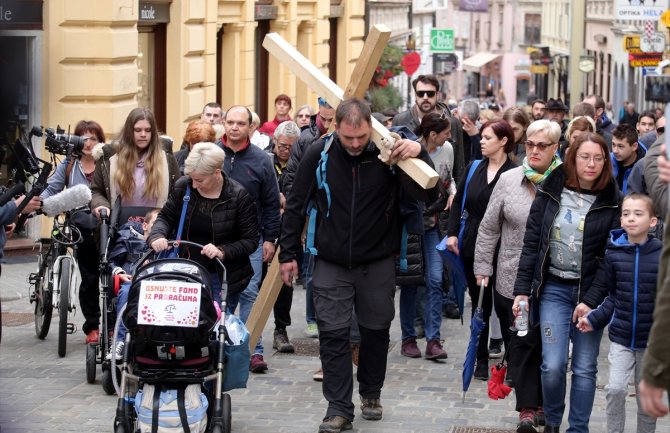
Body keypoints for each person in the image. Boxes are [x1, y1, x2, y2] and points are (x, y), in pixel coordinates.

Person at [279, 98, 438, 433]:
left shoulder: (389, 154)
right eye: (348, 137)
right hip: (331, 261)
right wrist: (287, 254)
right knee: (333, 335)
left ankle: (371, 391)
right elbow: (295, 205)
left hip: (377, 261)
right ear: (336, 127)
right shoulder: (318, 153)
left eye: (361, 137)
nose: (354, 144)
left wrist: (418, 155)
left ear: (371, 129)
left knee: (376, 332)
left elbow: (429, 196)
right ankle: (338, 408)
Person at [513, 132, 622, 433]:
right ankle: (552, 425)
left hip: (591, 295)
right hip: (554, 290)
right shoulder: (551, 190)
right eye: (585, 156)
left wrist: (590, 300)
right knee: (553, 365)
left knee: (585, 368)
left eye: (598, 158)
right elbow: (532, 243)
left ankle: (578, 429)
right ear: (572, 157)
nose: (591, 164)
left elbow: (612, 257)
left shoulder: (614, 201)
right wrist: (522, 290)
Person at [474, 119, 562, 432]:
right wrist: (483, 268)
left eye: (543, 146)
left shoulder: (565, 181)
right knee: (521, 339)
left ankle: (541, 401)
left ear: (555, 148)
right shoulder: (510, 180)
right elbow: (488, 227)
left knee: (547, 343)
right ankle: (527, 408)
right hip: (512, 280)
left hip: (553, 280)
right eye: (531, 145)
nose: (535, 151)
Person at [577, 193, 661, 433]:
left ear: (653, 221)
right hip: (621, 338)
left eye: (638, 214)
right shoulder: (614, 254)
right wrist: (594, 319)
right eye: (626, 214)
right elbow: (612, 297)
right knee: (615, 389)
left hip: (651, 343)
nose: (630, 219)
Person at [446, 119, 517, 380]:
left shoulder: (516, 172)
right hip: (472, 245)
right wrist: (452, 233)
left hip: (504, 246)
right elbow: (457, 202)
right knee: (480, 304)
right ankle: (481, 360)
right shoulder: (475, 167)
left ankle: (511, 361)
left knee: (504, 306)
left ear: (504, 141)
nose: (482, 141)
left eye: (488, 137)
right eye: (483, 137)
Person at [148, 142, 259, 306]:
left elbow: (250, 241)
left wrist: (222, 251)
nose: (194, 184)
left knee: (215, 323)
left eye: (199, 180)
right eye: (192, 178)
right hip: (185, 269)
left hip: (221, 274)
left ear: (216, 173)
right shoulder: (184, 186)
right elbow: (166, 217)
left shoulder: (238, 196)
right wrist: (157, 235)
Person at [221, 105, 281, 373]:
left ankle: (250, 348)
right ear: (224, 123)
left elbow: (270, 202)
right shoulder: (212, 154)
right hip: (217, 238)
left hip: (251, 238)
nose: (234, 127)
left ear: (250, 127)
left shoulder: (261, 160)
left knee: (249, 292)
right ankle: (220, 345)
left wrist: (270, 238)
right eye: (230, 122)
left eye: (240, 123)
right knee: (221, 294)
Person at [41, 120, 106, 343]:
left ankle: (115, 323)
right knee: (89, 279)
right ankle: (92, 327)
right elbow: (53, 188)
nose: (88, 143)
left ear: (100, 141)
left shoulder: (108, 163)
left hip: (105, 223)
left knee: (111, 276)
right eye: (84, 138)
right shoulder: (69, 164)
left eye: (93, 138)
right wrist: (39, 203)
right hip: (79, 227)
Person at [399, 112, 454, 360]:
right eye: (446, 132)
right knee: (411, 281)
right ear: (433, 135)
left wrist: (451, 191)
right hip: (411, 225)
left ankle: (433, 340)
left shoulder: (448, 151)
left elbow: (449, 178)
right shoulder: (410, 150)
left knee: (434, 279)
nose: (449, 137)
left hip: (433, 224)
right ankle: (408, 338)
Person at [90, 107, 180, 220]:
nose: (143, 134)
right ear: (129, 131)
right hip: (119, 227)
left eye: (148, 130)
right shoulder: (109, 157)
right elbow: (96, 191)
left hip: (156, 228)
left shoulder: (166, 156)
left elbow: (178, 192)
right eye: (138, 130)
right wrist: (100, 205)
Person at [106, 208, 159, 359]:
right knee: (126, 292)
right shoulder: (128, 238)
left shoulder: (168, 243)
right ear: (145, 226)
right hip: (132, 281)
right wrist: (119, 272)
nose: (158, 228)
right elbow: (111, 261)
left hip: (159, 286)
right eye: (155, 223)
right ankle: (120, 341)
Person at [393, 74, 465, 183]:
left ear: (437, 95)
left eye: (430, 94)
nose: (425, 97)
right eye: (421, 94)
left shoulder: (453, 123)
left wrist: (456, 197)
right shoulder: (401, 120)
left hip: (443, 193)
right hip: (410, 193)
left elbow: (459, 167)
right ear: (415, 95)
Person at [267, 120, 301, 353]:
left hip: (289, 232)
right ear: (275, 142)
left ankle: (281, 329)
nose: (285, 150)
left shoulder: (299, 164)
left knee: (284, 284)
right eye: (282, 145)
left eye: (290, 146)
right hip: (264, 231)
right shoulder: (265, 162)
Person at [611, 123, 646, 194]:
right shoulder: (608, 160)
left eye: (620, 146)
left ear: (634, 146)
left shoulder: (644, 168)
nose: (615, 150)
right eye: (613, 145)